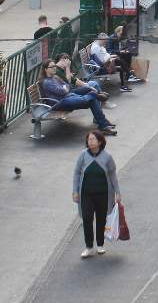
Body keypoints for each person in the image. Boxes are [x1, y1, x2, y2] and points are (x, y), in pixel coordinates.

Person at [72, 128, 122, 258]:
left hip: (103, 194)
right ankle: (89, 247)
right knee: (87, 219)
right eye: (89, 139)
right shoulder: (83, 155)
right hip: (86, 194)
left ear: (100, 142)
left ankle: (100, 245)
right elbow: (77, 173)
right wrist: (75, 191)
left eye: (93, 139)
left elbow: (112, 175)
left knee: (101, 219)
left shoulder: (107, 157)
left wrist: (117, 192)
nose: (90, 141)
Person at [39, 63, 116, 133]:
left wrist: (65, 88)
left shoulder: (55, 77)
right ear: (46, 69)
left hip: (67, 97)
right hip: (59, 103)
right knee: (88, 98)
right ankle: (95, 95)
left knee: (89, 92)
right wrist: (64, 88)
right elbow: (62, 91)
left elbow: (67, 85)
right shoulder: (47, 82)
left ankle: (103, 124)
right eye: (52, 67)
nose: (54, 68)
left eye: (54, 66)